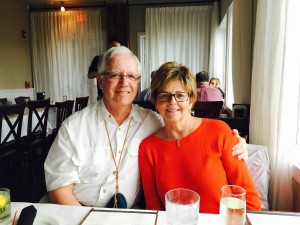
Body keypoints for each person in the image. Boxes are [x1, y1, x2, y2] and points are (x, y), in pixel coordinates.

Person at [44, 47, 248, 209]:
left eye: (131, 76)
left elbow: (185, 133)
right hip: (78, 213)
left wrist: (237, 142)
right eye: (115, 74)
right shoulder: (73, 126)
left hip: (131, 214)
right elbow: (59, 188)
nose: (124, 83)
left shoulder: (153, 122)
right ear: (100, 80)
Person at [138, 61, 261, 214]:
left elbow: (250, 200)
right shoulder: (148, 148)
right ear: (156, 102)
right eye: (164, 96)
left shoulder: (219, 131)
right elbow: (153, 208)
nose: (172, 102)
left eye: (180, 95)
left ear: (191, 100)